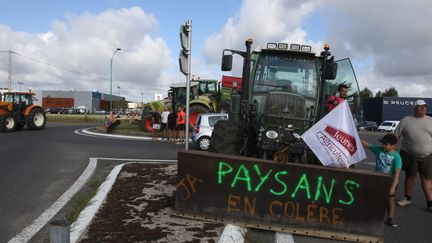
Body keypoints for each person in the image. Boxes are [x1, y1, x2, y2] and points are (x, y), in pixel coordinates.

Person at [395, 100, 432, 212]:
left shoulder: (430, 120)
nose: (423, 108)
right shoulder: (406, 120)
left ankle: (430, 203)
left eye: (425, 107)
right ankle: (407, 198)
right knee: (410, 176)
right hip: (409, 154)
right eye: (420, 107)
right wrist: (392, 149)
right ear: (414, 108)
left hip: (428, 155)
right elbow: (396, 135)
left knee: (427, 179)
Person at [361, 134, 402, 227]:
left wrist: (393, 187)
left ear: (393, 146)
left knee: (390, 200)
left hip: (390, 182)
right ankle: (373, 216)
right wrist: (354, 137)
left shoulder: (396, 157)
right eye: (383, 143)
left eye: (386, 144)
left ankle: (390, 218)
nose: (383, 146)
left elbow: (397, 174)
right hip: (378, 179)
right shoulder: (379, 149)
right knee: (375, 197)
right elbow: (366, 144)